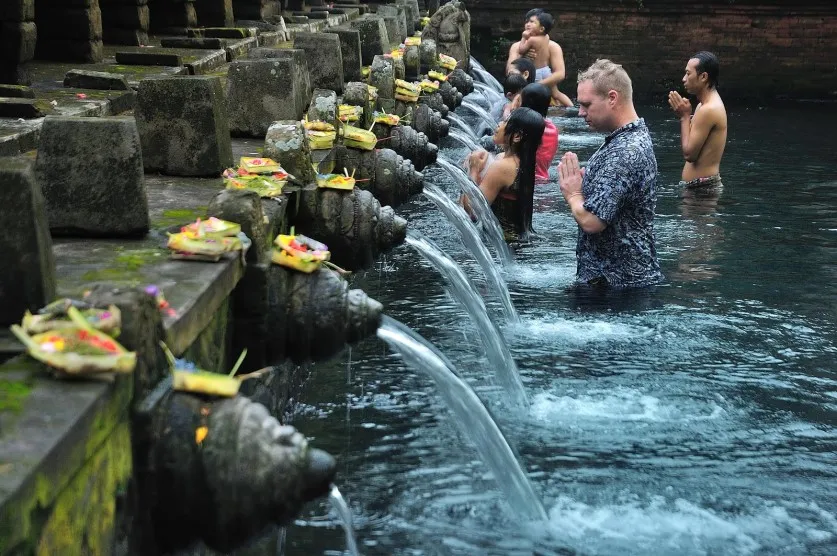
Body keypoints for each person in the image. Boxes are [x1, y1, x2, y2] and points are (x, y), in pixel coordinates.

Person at [557, 59, 663, 288]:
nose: (580, 113)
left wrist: (573, 193)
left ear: (612, 98)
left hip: (617, 285)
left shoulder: (626, 151)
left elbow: (593, 222)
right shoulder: (628, 139)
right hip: (619, 279)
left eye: (586, 105)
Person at [465, 107, 544, 241]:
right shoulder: (515, 160)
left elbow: (472, 212)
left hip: (503, 242)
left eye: (506, 121)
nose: (499, 124)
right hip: (514, 239)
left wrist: (473, 170)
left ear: (517, 137)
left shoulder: (503, 166)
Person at [668, 51, 727, 189]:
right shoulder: (704, 105)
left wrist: (684, 117)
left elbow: (690, 154)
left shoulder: (709, 109)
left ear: (703, 77)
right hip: (699, 187)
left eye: (688, 74)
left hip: (703, 189)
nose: (684, 79)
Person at [506, 10, 574, 107]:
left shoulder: (552, 46)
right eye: (527, 21)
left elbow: (560, 74)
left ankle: (571, 109)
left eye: (532, 22)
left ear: (541, 27)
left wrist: (536, 86)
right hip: (521, 89)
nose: (528, 24)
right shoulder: (516, 47)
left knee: (555, 95)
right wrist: (522, 57)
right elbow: (509, 71)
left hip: (544, 88)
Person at [519, 83, 559, 183]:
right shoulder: (552, 128)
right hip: (543, 178)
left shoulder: (522, 127)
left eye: (520, 100)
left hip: (523, 179)